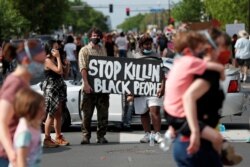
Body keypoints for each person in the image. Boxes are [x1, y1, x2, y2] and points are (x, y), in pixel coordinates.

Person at [169, 29, 241, 167]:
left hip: (192, 144)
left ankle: (223, 149)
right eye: (224, 47)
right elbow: (188, 97)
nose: (227, 51)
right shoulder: (207, 72)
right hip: (196, 147)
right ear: (210, 48)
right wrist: (195, 131)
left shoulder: (199, 69)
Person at [0, 39, 45, 167]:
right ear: (26, 61)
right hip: (7, 157)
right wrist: (12, 155)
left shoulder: (24, 82)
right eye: (40, 62)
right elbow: (2, 122)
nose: (43, 65)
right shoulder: (15, 83)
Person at [129, 33, 165, 143]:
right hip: (140, 90)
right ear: (141, 45)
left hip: (154, 89)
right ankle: (147, 134)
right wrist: (130, 92)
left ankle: (157, 134)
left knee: (155, 112)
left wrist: (162, 87)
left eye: (150, 44)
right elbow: (130, 75)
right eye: (146, 44)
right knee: (143, 113)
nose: (148, 46)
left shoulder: (157, 56)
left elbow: (162, 73)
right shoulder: (135, 56)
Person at [78, 27, 109, 144]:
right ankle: (86, 136)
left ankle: (101, 136)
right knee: (87, 114)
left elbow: (107, 67)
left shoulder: (103, 49)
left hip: (102, 88)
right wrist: (86, 84)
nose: (95, 37)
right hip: (89, 88)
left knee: (103, 114)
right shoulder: (84, 50)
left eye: (97, 35)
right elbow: (83, 68)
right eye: (93, 35)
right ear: (89, 36)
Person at [42, 40, 69, 147]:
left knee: (59, 113)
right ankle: (47, 139)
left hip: (59, 86)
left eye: (58, 48)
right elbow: (58, 71)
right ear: (49, 49)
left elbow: (65, 75)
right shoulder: (47, 60)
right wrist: (58, 58)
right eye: (54, 48)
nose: (57, 50)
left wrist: (67, 65)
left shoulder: (58, 59)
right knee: (51, 114)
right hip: (51, 88)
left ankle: (58, 137)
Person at [9, 88, 45, 167]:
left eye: (44, 107)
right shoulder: (25, 132)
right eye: (40, 108)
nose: (44, 111)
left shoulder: (35, 125)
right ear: (29, 110)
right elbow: (21, 159)